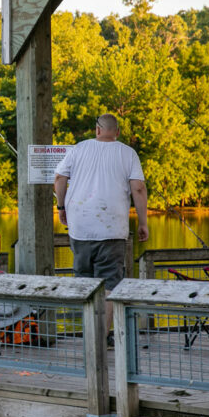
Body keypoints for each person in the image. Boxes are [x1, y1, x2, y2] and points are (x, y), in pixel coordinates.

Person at [53, 114, 149, 341]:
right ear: (117, 132)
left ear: (97, 130)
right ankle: (101, 337)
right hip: (113, 229)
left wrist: (61, 207)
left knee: (85, 282)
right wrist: (143, 222)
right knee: (109, 284)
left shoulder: (78, 149)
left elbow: (59, 178)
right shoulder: (128, 153)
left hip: (81, 227)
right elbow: (139, 188)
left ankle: (88, 336)